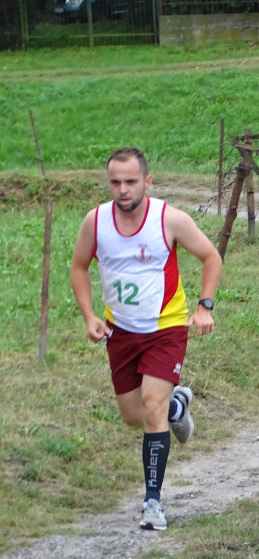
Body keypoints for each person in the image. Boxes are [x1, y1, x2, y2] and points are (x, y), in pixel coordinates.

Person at [71, 147, 222, 531]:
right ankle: (176, 408)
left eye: (131, 182)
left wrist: (204, 307)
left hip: (165, 329)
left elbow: (210, 256)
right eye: (115, 182)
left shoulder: (168, 219)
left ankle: (152, 503)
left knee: (151, 406)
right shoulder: (96, 221)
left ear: (147, 182)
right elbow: (79, 267)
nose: (123, 190)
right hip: (119, 331)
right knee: (134, 416)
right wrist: (90, 317)